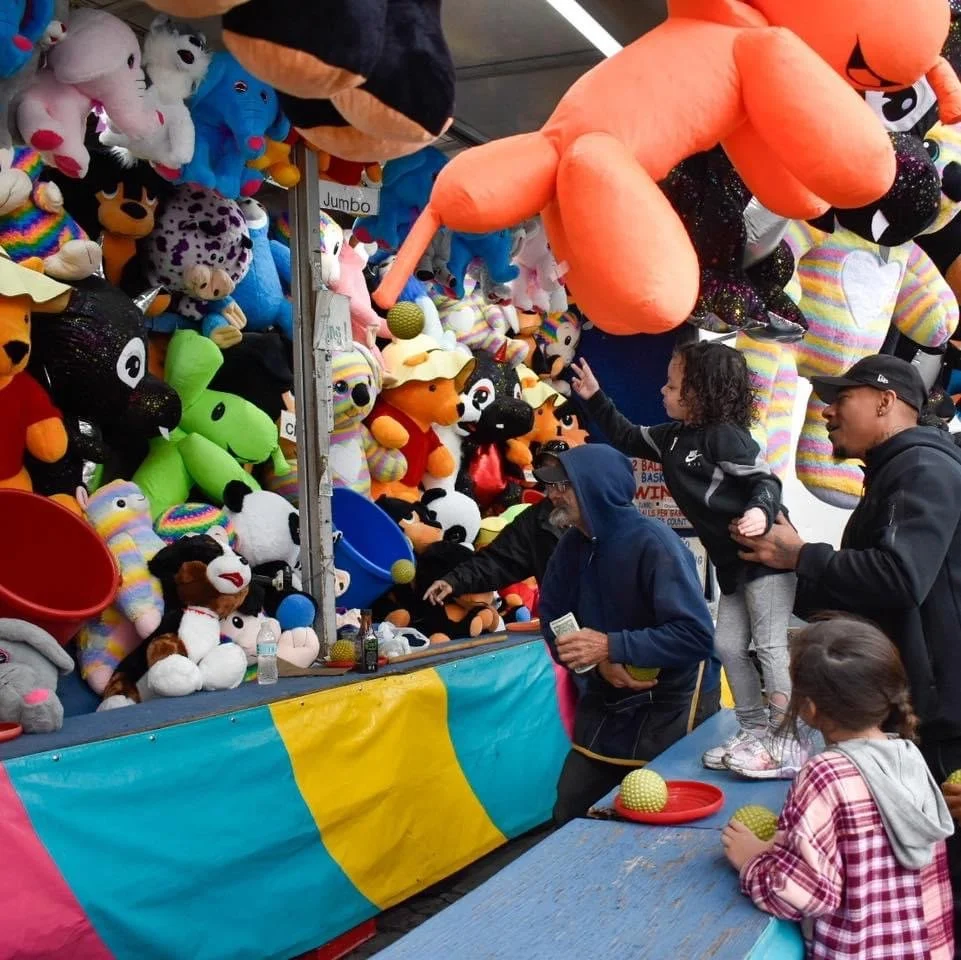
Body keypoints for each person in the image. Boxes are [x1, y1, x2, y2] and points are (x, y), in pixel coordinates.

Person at [731, 353, 961, 937]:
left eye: (842, 398)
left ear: (886, 401)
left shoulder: (924, 469)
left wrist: (803, 556)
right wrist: (786, 573)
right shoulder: (895, 472)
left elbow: (902, 578)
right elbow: (872, 597)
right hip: (920, 713)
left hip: (941, 722)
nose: (827, 411)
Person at [572, 342, 801, 779]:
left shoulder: (726, 437)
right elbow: (625, 435)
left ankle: (785, 738)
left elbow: (765, 481)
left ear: (700, 392)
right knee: (728, 645)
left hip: (767, 556)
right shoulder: (673, 438)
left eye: (672, 385)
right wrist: (596, 396)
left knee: (769, 645)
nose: (662, 390)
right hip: (735, 565)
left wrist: (760, 512)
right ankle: (754, 731)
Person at [722, 616, 954, 960]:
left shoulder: (824, 775)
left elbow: (803, 894)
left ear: (810, 708)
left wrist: (752, 861)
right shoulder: (910, 757)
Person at [536, 443, 715, 824]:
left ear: (594, 486)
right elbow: (553, 618)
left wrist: (611, 646)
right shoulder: (571, 545)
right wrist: (595, 664)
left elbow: (696, 636)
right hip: (605, 697)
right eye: (549, 486)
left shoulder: (655, 543)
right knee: (570, 810)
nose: (551, 495)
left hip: (670, 703)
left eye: (561, 485)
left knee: (655, 821)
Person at [423, 440, 572, 610]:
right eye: (549, 479)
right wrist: (454, 581)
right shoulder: (535, 521)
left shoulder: (602, 510)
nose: (554, 490)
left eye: (561, 479)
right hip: (567, 622)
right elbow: (499, 560)